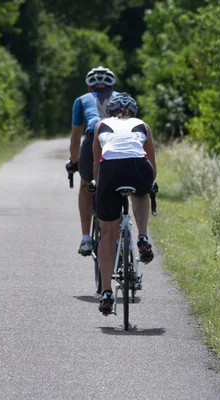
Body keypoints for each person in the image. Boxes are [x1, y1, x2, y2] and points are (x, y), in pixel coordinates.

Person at [91, 92, 157, 315]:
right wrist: (150, 184)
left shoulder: (101, 125)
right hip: (139, 168)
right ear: (134, 112)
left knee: (107, 234)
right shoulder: (143, 125)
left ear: (110, 112)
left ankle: (107, 292)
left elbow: (97, 165)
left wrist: (99, 187)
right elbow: (151, 162)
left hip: (110, 171)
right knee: (141, 192)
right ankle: (142, 236)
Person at [66, 66, 118, 256]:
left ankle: (86, 239)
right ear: (113, 88)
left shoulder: (81, 101)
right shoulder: (124, 98)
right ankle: (120, 230)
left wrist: (73, 162)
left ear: (90, 88)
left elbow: (75, 139)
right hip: (120, 142)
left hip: (93, 140)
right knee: (119, 184)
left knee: (86, 185)